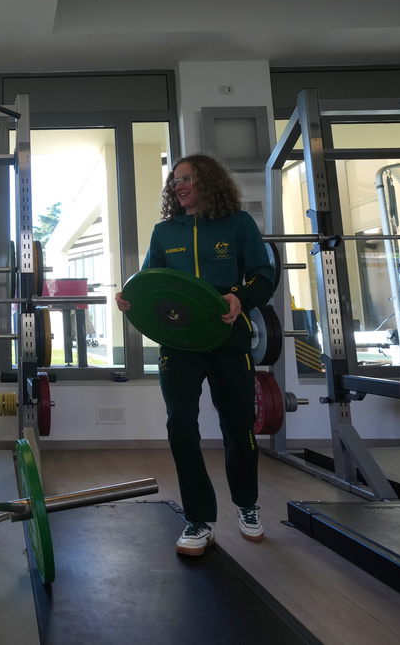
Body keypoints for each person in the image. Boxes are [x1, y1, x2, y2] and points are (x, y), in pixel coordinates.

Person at [115, 153, 274, 556]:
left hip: (228, 337)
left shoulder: (238, 224)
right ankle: (199, 518)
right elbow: (152, 282)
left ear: (210, 181)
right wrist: (132, 299)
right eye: (175, 181)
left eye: (187, 178)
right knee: (180, 425)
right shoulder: (165, 231)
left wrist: (239, 296)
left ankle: (247, 504)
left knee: (239, 426)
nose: (179, 185)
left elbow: (263, 275)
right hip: (179, 342)